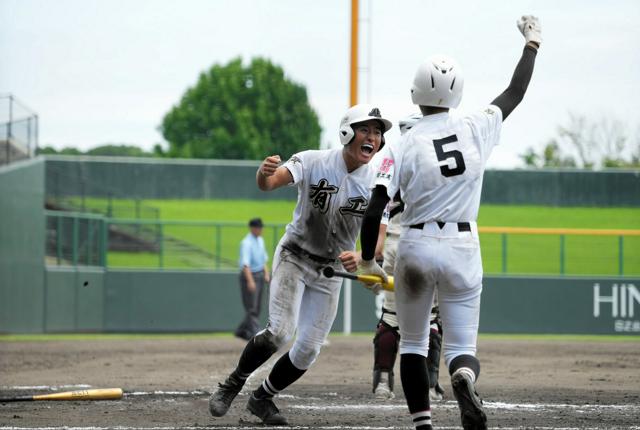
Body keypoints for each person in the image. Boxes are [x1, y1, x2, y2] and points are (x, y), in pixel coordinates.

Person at [358, 16, 542, 430]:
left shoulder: (402, 143)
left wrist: (370, 261)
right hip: (463, 244)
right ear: (457, 93)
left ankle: (423, 424)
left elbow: (376, 208)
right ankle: (463, 375)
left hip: (416, 245)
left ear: (415, 92)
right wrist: (531, 44)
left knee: (414, 344)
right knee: (462, 346)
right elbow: (515, 91)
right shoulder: (477, 126)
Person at [209, 103, 392, 425]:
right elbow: (270, 183)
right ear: (347, 132)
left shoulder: (378, 182)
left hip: (330, 270)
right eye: (365, 129)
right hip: (295, 255)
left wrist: (365, 256)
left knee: (308, 348)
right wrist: (262, 174)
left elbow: (379, 233)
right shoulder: (313, 160)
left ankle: (262, 398)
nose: (372, 137)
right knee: (279, 332)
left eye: (377, 132)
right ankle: (234, 382)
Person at [371, 113, 445, 402]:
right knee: (430, 317)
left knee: (391, 314)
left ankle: (382, 382)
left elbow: (380, 206)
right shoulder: (434, 160)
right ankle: (429, 384)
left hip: (394, 243)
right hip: (429, 242)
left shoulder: (390, 159)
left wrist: (377, 244)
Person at [234, 217, 270, 341]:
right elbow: (245, 264)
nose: (260, 230)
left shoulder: (260, 240)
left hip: (259, 274)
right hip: (250, 275)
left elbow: (263, 260)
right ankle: (256, 333)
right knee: (251, 307)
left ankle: (240, 330)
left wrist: (266, 273)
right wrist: (250, 281)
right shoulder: (246, 243)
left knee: (257, 307)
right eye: (258, 227)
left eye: (261, 227)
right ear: (252, 228)